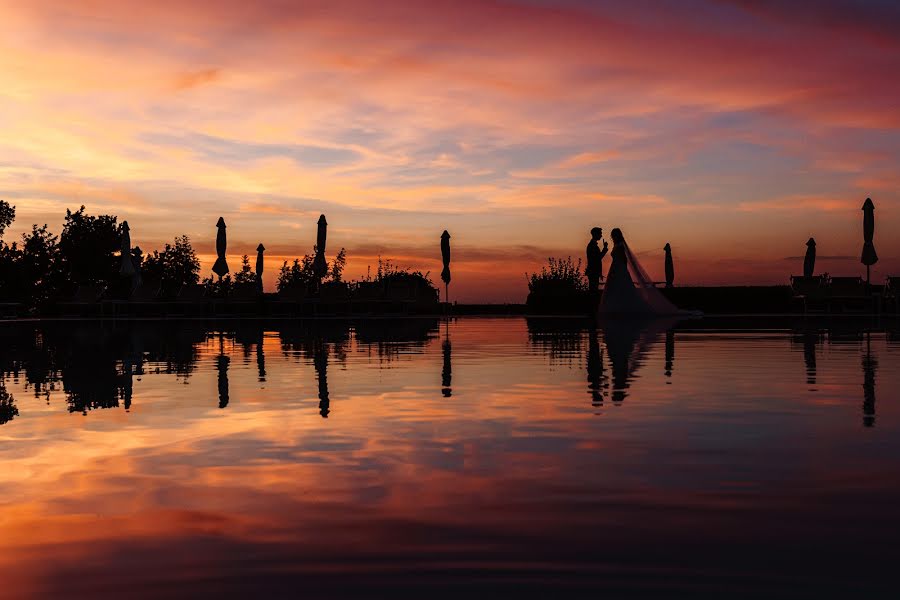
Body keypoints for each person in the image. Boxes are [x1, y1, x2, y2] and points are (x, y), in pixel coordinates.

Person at [599, 228, 681, 316]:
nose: (612, 236)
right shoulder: (616, 245)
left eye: (613, 235)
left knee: (622, 289)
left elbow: (624, 259)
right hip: (614, 269)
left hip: (619, 269)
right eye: (612, 235)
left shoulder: (620, 246)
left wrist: (621, 270)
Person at [585, 227, 609, 294]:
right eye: (600, 234)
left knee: (593, 290)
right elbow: (598, 258)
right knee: (593, 291)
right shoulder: (592, 246)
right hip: (593, 272)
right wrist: (605, 249)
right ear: (595, 234)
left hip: (593, 272)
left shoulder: (593, 245)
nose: (601, 235)